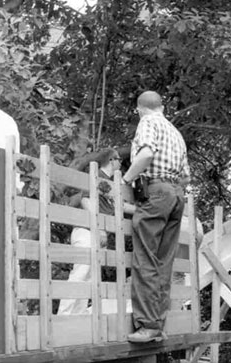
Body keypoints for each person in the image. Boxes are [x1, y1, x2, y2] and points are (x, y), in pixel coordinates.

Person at [122, 91, 190, 343]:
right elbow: (186, 177)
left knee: (145, 260)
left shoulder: (148, 122)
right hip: (176, 195)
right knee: (163, 262)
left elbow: (147, 153)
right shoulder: (176, 132)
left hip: (157, 192)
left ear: (140, 109)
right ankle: (158, 326)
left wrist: (127, 179)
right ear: (161, 106)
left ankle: (147, 326)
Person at [58, 148, 122, 315]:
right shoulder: (98, 176)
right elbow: (86, 199)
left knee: (89, 277)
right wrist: (100, 227)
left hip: (94, 232)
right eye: (119, 160)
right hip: (86, 230)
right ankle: (63, 316)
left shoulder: (110, 183)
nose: (121, 163)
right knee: (81, 272)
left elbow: (118, 206)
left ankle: (77, 318)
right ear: (112, 160)